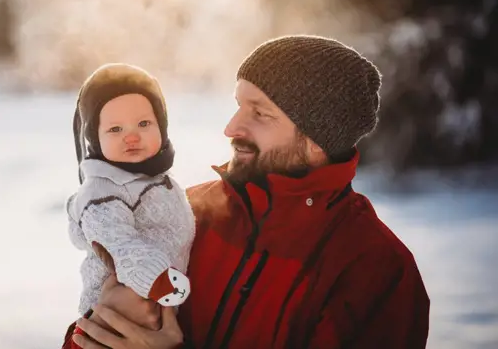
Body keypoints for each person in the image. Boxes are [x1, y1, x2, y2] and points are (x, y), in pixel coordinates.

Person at [63, 35, 430, 349]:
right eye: (239, 105)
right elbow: (90, 334)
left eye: (260, 113)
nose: (231, 127)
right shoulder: (184, 212)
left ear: (318, 140)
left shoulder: (376, 268)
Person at [66, 63, 196, 346]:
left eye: (144, 124)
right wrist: (157, 280)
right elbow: (118, 243)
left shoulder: (154, 180)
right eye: (115, 128)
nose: (132, 136)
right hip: (118, 317)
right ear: (94, 138)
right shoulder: (103, 191)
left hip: (158, 309)